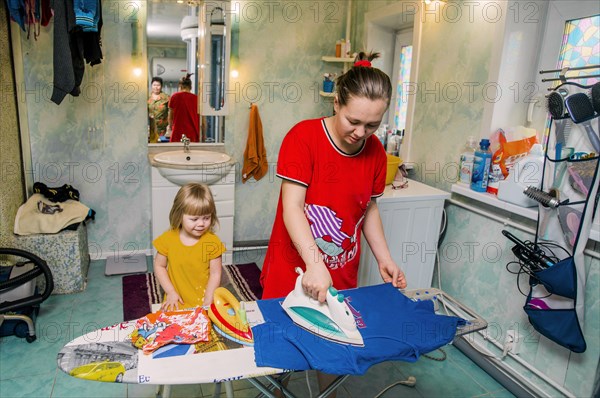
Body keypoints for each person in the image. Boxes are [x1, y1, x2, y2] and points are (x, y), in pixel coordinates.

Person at [260, 51, 408, 396]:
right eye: (353, 121)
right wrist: (314, 264)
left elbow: (367, 209)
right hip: (294, 266)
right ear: (336, 102)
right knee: (284, 352)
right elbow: (293, 207)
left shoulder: (376, 154)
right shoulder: (303, 138)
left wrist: (385, 258)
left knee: (333, 349)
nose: (361, 132)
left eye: (372, 125)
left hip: (340, 270)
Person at [153, 183, 225, 311]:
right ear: (179, 215)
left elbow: (215, 274)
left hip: (204, 300)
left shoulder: (212, 243)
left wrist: (208, 299)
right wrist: (170, 292)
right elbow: (159, 266)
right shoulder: (168, 239)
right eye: (194, 219)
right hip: (176, 300)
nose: (201, 224)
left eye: (206, 218)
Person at [168, 73, 201, 143]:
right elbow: (202, 121)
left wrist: (170, 128)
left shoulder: (174, 97)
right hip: (193, 133)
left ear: (180, 86)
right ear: (191, 87)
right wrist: (203, 135)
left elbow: (170, 117)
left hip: (177, 132)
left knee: (175, 153)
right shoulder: (197, 99)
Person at [147, 76, 170, 143]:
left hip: (163, 129)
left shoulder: (166, 97)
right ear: (151, 85)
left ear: (161, 86)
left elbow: (170, 112)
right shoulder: (147, 97)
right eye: (154, 85)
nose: (156, 87)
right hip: (149, 128)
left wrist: (170, 126)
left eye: (158, 85)